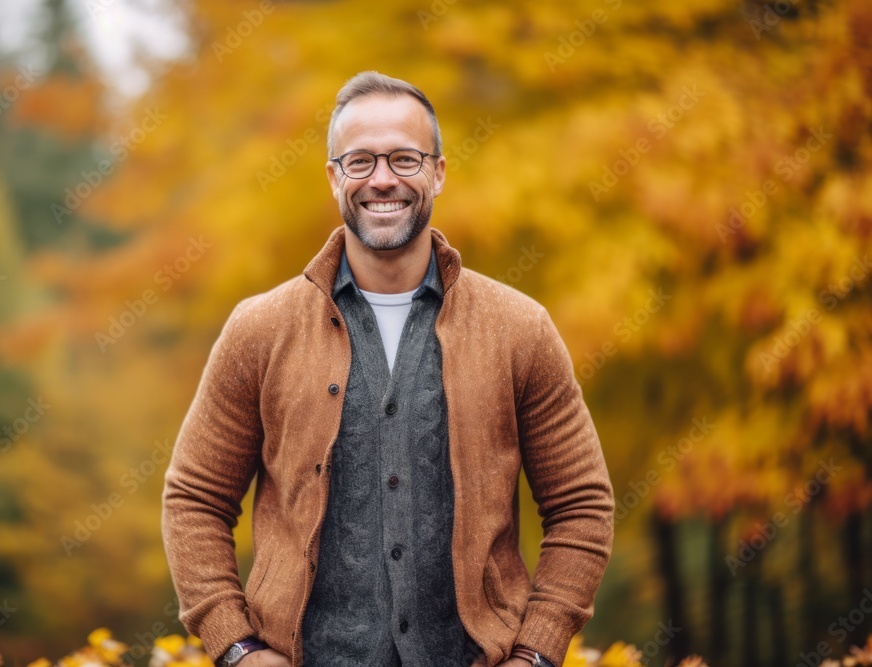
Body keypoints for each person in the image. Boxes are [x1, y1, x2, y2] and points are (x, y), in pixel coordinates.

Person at [161, 71, 614, 667]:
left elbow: (582, 505)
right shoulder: (260, 330)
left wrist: (536, 651)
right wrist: (238, 649)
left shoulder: (519, 329)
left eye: (405, 159)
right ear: (333, 177)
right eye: (360, 161)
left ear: (439, 172)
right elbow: (194, 498)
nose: (382, 179)